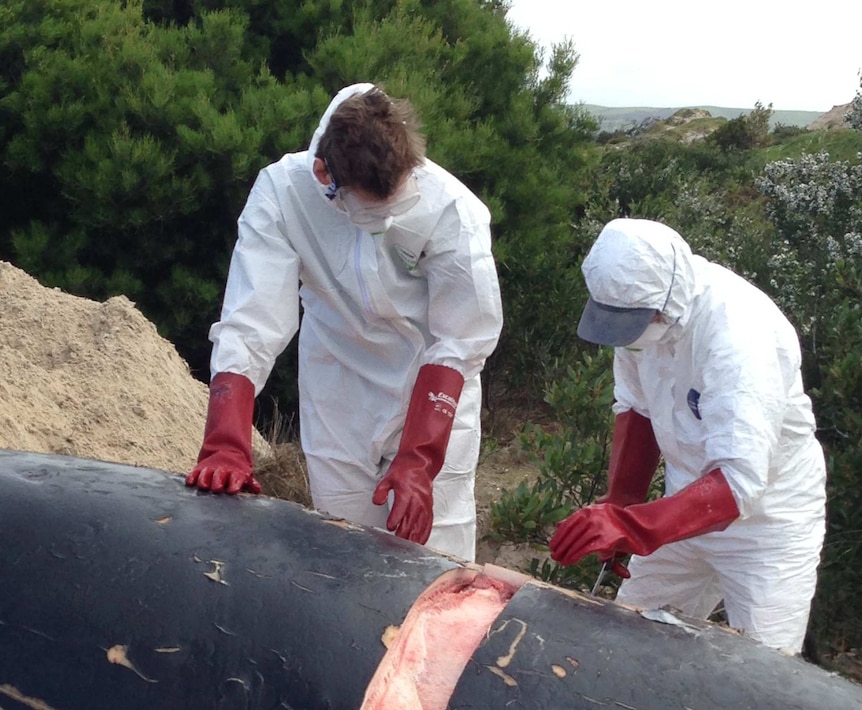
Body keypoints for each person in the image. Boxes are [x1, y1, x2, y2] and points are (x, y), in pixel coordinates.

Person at [186, 82, 503, 563]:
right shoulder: (283, 192)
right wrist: (226, 442)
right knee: (343, 551)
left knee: (438, 561)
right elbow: (251, 320)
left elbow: (461, 339)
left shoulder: (452, 210)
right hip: (338, 386)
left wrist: (419, 459)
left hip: (433, 386)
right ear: (324, 177)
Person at [550, 218, 826, 655]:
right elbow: (637, 407)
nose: (628, 335)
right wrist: (621, 504)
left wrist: (634, 528)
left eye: (635, 321)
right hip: (683, 501)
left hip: (768, 523)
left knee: (762, 669)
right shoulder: (637, 318)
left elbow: (740, 483)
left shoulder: (738, 335)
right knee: (630, 637)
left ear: (665, 301)